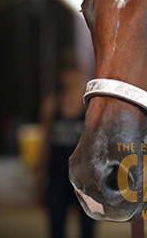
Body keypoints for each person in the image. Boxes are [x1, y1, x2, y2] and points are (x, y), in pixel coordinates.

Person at [37, 50, 95, 238]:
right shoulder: (51, 104)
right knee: (56, 229)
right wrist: (40, 177)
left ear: (80, 72)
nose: (68, 78)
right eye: (65, 73)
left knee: (87, 231)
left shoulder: (90, 104)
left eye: (72, 72)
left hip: (85, 181)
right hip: (58, 178)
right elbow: (45, 142)